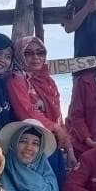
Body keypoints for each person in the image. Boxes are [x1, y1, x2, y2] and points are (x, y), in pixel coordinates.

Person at [7, 35, 76, 170]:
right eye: (29, 53)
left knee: (57, 181)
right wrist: (55, 127)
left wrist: (69, 148)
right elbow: (26, 111)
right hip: (31, 146)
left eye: (40, 52)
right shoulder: (16, 79)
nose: (36, 57)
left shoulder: (48, 81)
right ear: (19, 55)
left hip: (53, 142)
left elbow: (58, 116)